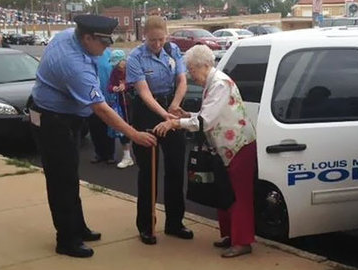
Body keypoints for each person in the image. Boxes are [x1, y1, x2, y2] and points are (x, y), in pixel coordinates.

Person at [29, 15, 156, 258]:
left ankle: (77, 227)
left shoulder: (71, 36)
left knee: (70, 175)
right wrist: (133, 134)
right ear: (87, 38)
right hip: (51, 120)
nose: (108, 48)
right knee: (61, 181)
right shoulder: (73, 64)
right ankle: (66, 240)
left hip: (65, 116)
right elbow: (100, 108)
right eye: (104, 43)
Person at [153, 45, 257, 258]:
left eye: (191, 69)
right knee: (225, 192)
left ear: (203, 65)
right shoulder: (214, 82)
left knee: (238, 195)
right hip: (226, 147)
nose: (191, 75)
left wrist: (175, 124)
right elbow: (208, 114)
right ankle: (231, 236)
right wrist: (187, 114)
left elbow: (205, 121)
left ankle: (242, 241)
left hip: (237, 146)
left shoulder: (219, 84)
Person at [126, 15, 192, 245]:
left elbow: (182, 81)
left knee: (175, 168)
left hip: (169, 106)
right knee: (148, 172)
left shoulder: (173, 50)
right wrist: (163, 114)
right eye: (152, 40)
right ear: (144, 36)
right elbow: (143, 92)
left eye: (160, 39)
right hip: (146, 111)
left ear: (167, 35)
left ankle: (175, 222)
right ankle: (146, 225)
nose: (156, 44)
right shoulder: (135, 57)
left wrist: (174, 105)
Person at [88, 48, 116, 164]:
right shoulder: (87, 55)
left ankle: (110, 154)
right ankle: (99, 153)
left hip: (108, 96)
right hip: (92, 98)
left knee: (109, 126)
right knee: (95, 127)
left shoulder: (110, 54)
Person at [107, 49, 134, 169]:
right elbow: (109, 85)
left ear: (124, 61)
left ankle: (136, 154)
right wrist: (114, 88)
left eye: (118, 63)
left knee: (136, 127)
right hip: (121, 104)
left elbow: (137, 83)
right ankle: (127, 156)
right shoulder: (114, 72)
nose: (117, 66)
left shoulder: (132, 69)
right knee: (123, 130)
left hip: (133, 104)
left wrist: (126, 86)